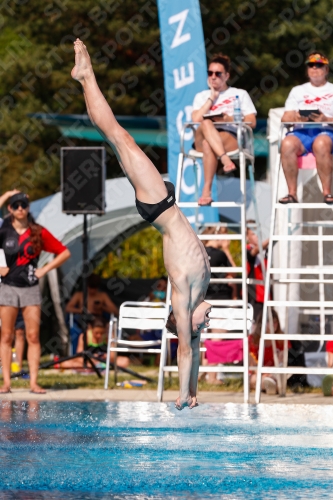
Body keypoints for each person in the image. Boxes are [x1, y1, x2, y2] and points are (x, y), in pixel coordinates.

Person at [71, 39, 211, 410]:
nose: (208, 320)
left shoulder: (183, 298)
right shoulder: (200, 293)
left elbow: (184, 347)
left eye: (203, 323)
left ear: (186, 322)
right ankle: (84, 80)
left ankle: (86, 76)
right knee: (114, 136)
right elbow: (194, 349)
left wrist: (182, 395)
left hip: (159, 205)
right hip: (165, 206)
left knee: (118, 134)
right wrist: (194, 392)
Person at [0, 192, 71, 394]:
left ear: (28, 208)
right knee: (6, 336)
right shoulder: (4, 229)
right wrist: (6, 195)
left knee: (32, 335)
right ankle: (6, 383)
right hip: (8, 287)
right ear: (10, 209)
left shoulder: (37, 232)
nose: (20, 208)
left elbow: (64, 252)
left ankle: (33, 382)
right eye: (16, 205)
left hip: (30, 287)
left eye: (23, 205)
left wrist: (45, 269)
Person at [191, 53, 257, 205]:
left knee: (209, 144)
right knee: (206, 123)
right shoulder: (202, 96)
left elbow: (251, 121)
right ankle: (224, 158)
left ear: (226, 76)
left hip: (229, 135)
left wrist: (229, 119)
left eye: (218, 74)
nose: (213, 77)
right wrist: (212, 98)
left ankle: (206, 190)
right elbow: (195, 119)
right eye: (210, 73)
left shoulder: (239, 94)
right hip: (203, 135)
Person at [279, 52, 333, 205]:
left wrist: (326, 119)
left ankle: (327, 193)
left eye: (319, 65)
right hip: (301, 132)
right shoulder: (297, 91)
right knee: (287, 144)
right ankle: (292, 194)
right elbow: (285, 118)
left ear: (326, 70)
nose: (314, 68)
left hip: (327, 131)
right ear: (307, 69)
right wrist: (297, 118)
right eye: (311, 65)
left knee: (321, 143)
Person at [65, 273, 118, 353]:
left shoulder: (102, 296)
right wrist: (80, 310)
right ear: (86, 286)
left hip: (98, 319)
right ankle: (84, 351)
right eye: (90, 288)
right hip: (84, 318)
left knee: (108, 326)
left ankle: (108, 353)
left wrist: (102, 307)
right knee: (85, 325)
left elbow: (115, 311)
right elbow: (68, 308)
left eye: (94, 288)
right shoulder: (79, 295)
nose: (92, 291)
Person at [56, 316, 129, 370]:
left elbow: (113, 356)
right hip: (89, 361)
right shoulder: (85, 336)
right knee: (68, 362)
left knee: (124, 361)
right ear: (91, 329)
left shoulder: (108, 336)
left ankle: (93, 367)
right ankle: (94, 367)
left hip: (104, 361)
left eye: (101, 333)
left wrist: (105, 356)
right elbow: (79, 354)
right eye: (96, 333)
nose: (99, 335)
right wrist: (92, 358)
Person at [249, 309, 290, 395]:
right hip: (257, 373)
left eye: (276, 322)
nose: (274, 325)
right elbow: (251, 364)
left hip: (275, 373)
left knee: (277, 377)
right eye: (271, 322)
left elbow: (282, 361)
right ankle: (270, 385)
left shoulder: (281, 338)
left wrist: (271, 373)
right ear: (262, 323)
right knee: (253, 379)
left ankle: (270, 385)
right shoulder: (252, 340)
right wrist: (263, 373)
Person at [246, 221, 269, 321]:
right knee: (255, 327)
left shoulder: (265, 250)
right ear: (247, 237)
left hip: (266, 295)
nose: (257, 236)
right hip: (254, 297)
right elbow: (254, 252)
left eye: (258, 232)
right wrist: (271, 238)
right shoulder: (247, 249)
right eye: (253, 233)